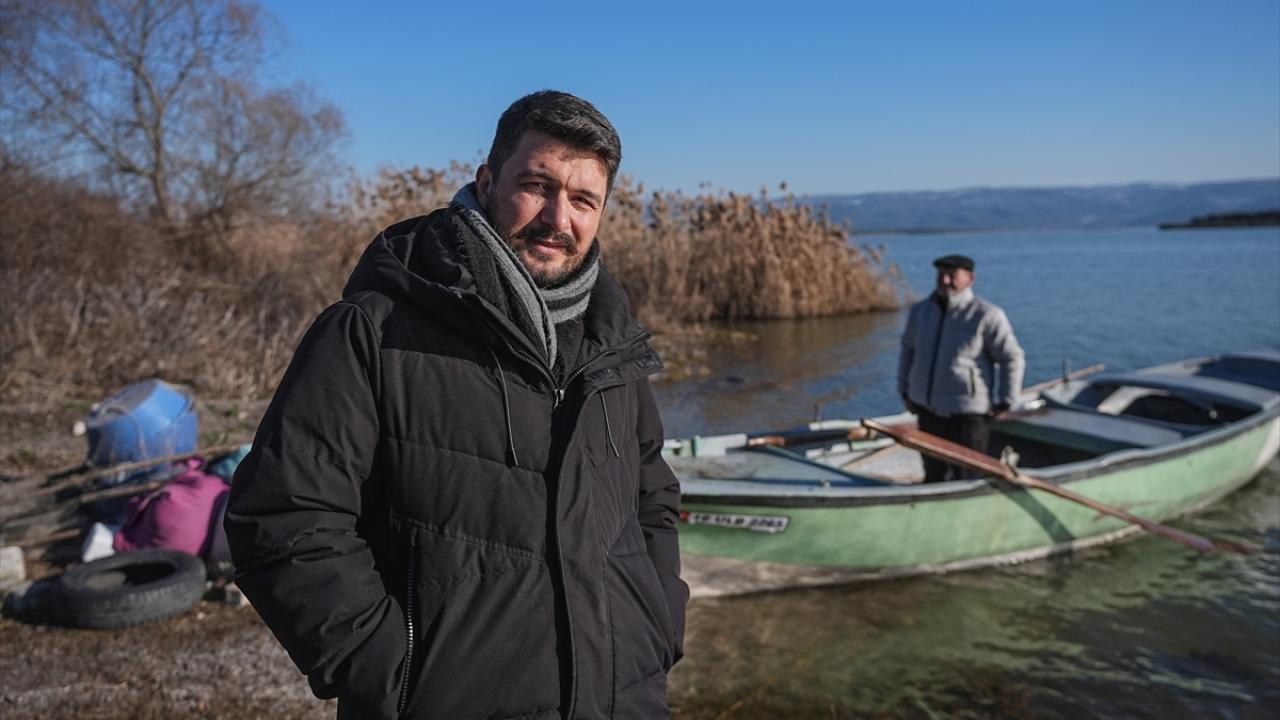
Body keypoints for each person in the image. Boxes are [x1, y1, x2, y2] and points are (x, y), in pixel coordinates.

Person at [225, 91, 688, 720]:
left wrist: (658, 629)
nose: (558, 218)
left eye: (584, 200)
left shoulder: (611, 350)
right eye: (538, 186)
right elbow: (283, 515)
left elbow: (652, 500)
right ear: (487, 180)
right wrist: (394, 678)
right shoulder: (372, 332)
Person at [897, 254, 1025, 483]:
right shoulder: (921, 311)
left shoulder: (986, 315)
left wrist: (1006, 400)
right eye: (941, 275)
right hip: (927, 409)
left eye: (952, 276)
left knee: (967, 476)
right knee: (933, 473)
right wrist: (905, 391)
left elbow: (1011, 358)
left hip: (967, 414)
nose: (945, 281)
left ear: (970, 279)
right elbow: (908, 351)